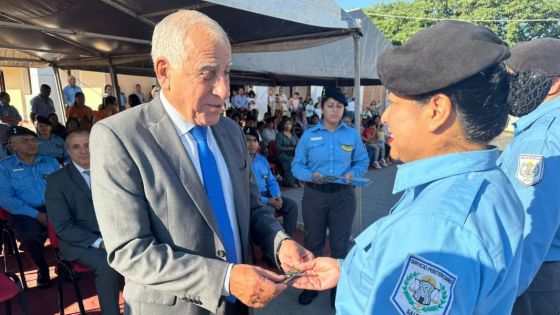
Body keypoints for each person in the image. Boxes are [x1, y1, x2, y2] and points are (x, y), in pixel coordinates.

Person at [292, 21, 526, 314]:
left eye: (394, 103)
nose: (386, 117)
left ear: (436, 110)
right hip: (316, 194)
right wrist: (348, 272)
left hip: (341, 194)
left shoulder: (436, 228)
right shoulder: (486, 182)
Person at [89, 10, 311, 315]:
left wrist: (280, 243)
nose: (224, 90)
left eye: (227, 72)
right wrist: (226, 278)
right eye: (208, 73)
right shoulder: (118, 137)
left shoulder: (231, 131)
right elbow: (129, 250)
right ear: (164, 71)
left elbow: (252, 208)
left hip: (239, 305)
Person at [497, 38, 560, 315]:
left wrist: (502, 293)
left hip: (534, 275)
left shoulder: (543, 139)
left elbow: (529, 227)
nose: (509, 86)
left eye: (516, 77)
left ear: (554, 84)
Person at [291, 86, 369, 306]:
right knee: (313, 242)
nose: (335, 110)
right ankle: (311, 283)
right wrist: (309, 175)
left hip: (343, 196)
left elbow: (362, 161)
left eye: (339, 106)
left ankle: (338, 288)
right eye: (330, 106)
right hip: (315, 194)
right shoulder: (309, 135)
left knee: (340, 244)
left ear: (344, 109)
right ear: (322, 108)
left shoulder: (352, 134)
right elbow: (297, 166)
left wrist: (354, 173)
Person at [45, 129, 121, 315]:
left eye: (88, 145)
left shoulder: (114, 170)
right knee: (107, 264)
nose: (83, 151)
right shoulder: (57, 181)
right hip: (80, 242)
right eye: (76, 147)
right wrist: (100, 242)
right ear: (68, 151)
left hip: (117, 233)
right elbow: (63, 227)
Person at [0, 126, 60, 288]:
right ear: (13, 146)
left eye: (33, 140)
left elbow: (64, 187)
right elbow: (5, 199)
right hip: (23, 212)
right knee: (30, 235)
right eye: (25, 141)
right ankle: (42, 267)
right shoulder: (4, 167)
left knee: (74, 224)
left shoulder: (50, 161)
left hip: (54, 207)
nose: (31, 143)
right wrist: (37, 215)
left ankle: (64, 263)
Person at [244, 127, 297, 237]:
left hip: (268, 195)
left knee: (292, 206)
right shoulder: (239, 161)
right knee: (269, 209)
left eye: (255, 141)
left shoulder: (261, 160)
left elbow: (272, 181)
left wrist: (277, 196)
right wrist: (267, 201)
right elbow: (244, 190)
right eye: (248, 140)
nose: (252, 144)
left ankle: (288, 239)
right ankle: (270, 251)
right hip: (251, 198)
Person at [275, 117, 300, 188]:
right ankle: (290, 182)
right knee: (291, 161)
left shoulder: (293, 135)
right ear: (283, 125)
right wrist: (290, 148)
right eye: (286, 124)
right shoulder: (279, 135)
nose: (288, 125)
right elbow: (278, 147)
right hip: (281, 154)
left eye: (289, 124)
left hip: (293, 154)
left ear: (291, 125)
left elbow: (298, 144)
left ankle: (298, 180)